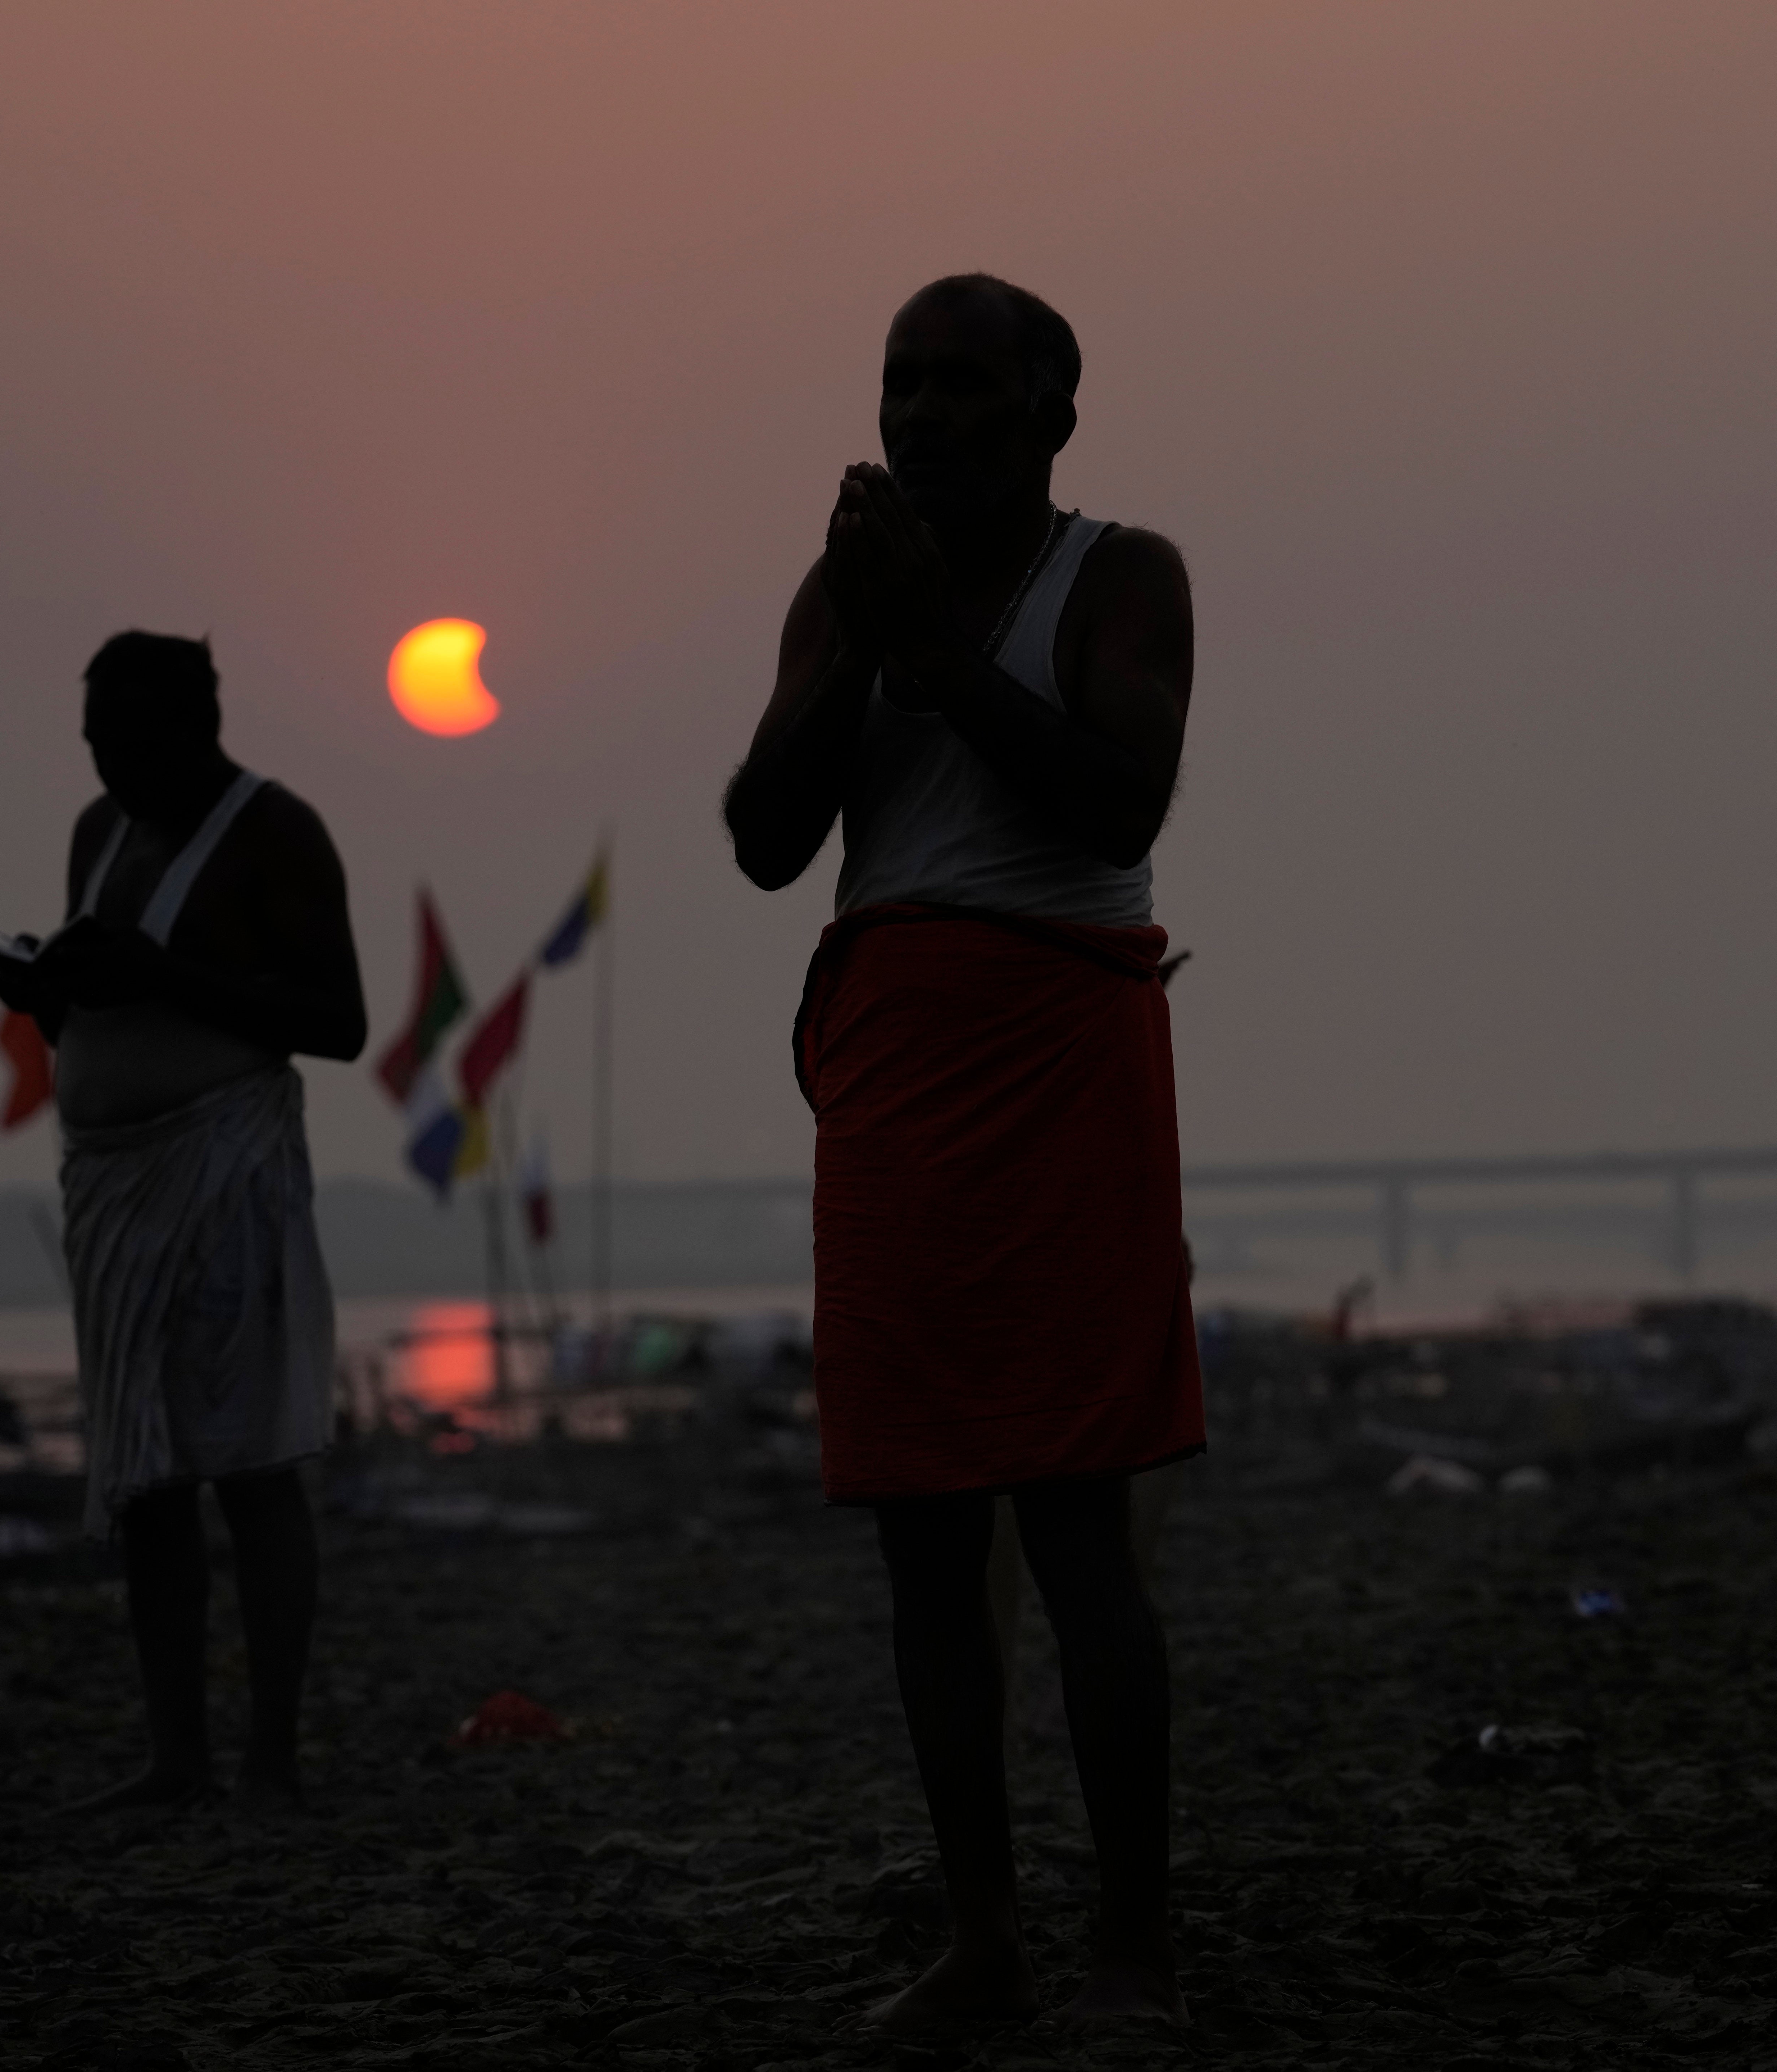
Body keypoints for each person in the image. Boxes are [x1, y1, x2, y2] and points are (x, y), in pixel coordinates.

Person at [723, 274, 1202, 2028]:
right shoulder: (842, 592)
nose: (922, 417)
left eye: (964, 387)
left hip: (1061, 1072)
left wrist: (934, 651)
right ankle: (985, 1936)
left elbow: (1121, 800)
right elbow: (768, 839)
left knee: (1084, 1542)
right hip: (898, 1090)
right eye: (899, 385)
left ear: (1054, 414)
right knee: (925, 1540)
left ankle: (1134, 1939)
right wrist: (861, 642)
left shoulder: (1122, 576)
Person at [0, 631, 367, 1814]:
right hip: (110, 1187)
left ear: (194, 728)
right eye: (94, 745)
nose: (107, 766)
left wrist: (162, 972)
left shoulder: (275, 832)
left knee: (251, 1464)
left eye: (127, 743)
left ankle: (272, 1757)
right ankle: (177, 1757)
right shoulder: (99, 834)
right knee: (146, 1474)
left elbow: (340, 1021)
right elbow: (102, 1005)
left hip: (228, 1175)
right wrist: (51, 991)